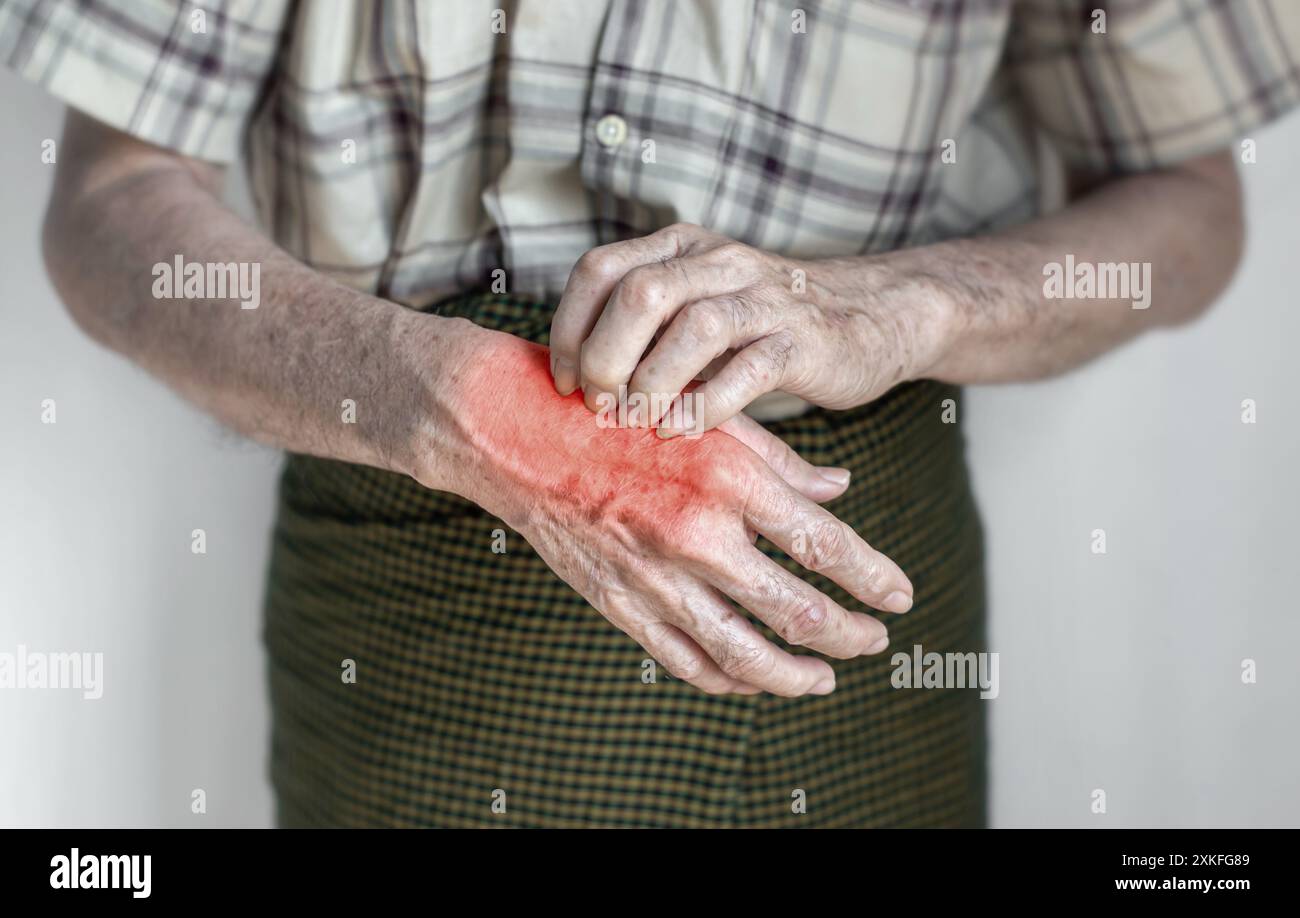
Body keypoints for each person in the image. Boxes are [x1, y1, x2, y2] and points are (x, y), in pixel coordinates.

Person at [9, 0, 1298, 827]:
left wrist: (901, 307)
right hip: (420, 577)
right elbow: (116, 199)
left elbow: (1185, 204)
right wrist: (450, 400)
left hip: (853, 576)